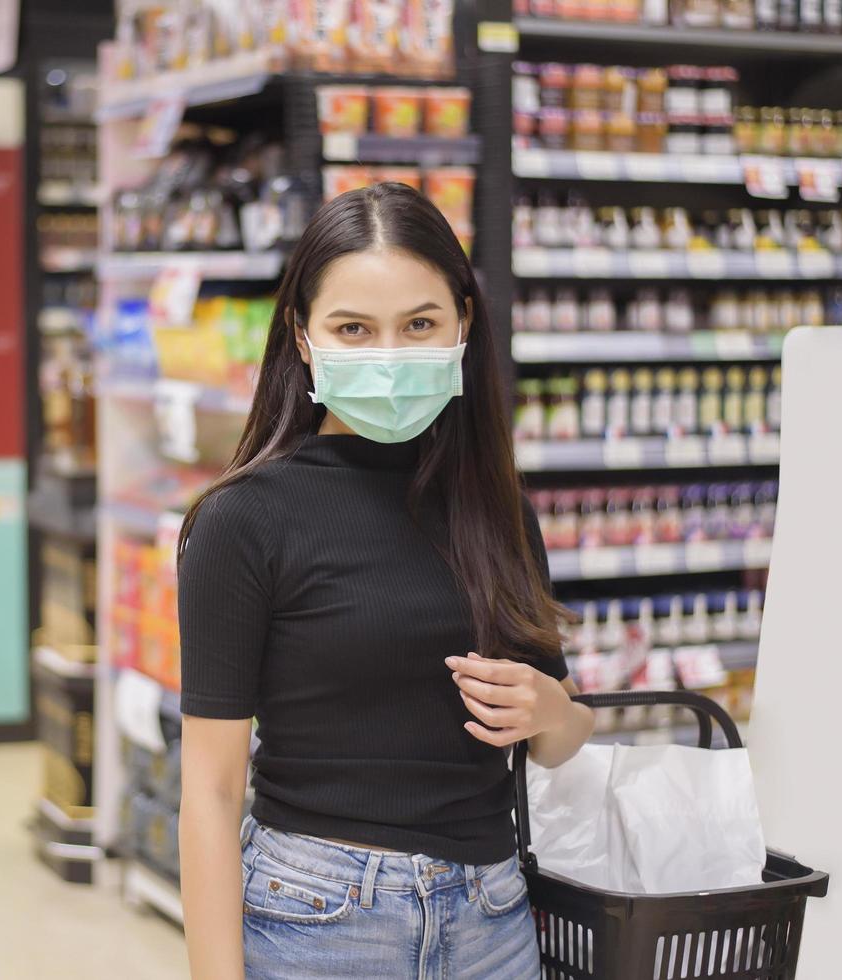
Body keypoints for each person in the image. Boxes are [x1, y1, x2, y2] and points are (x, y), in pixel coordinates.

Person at [176, 183, 596, 979]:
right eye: (354, 329)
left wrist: (550, 708)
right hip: (319, 918)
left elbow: (562, 740)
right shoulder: (243, 521)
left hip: (494, 920)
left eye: (420, 325)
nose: (390, 355)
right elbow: (210, 790)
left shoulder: (497, 512)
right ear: (302, 337)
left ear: (463, 326)